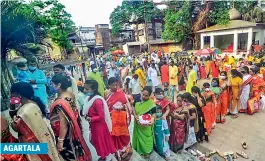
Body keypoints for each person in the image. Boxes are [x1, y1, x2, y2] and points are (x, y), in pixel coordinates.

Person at [10, 82, 61, 161]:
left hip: (33, 141)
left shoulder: (25, 111)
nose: (11, 97)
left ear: (18, 94)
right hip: (42, 138)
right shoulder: (32, 103)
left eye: (12, 94)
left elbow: (16, 128)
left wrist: (12, 118)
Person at [50, 74, 91, 161]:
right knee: (77, 152)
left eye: (52, 84)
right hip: (74, 131)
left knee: (70, 156)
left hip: (66, 135)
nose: (51, 86)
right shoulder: (70, 94)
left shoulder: (61, 102)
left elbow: (63, 124)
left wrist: (60, 141)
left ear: (59, 85)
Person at [82, 80, 117, 161]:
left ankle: (107, 157)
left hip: (99, 126)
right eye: (84, 88)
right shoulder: (88, 98)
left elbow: (101, 116)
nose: (84, 91)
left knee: (102, 143)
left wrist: (91, 119)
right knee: (97, 142)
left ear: (93, 90)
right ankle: (104, 156)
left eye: (87, 89)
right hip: (93, 126)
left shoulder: (97, 101)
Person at [105, 77, 132, 161]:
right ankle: (118, 152)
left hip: (122, 120)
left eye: (116, 84)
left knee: (123, 135)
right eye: (113, 85)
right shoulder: (107, 94)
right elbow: (106, 107)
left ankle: (126, 150)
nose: (115, 87)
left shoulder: (121, 93)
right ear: (108, 85)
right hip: (112, 120)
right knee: (115, 136)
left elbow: (128, 106)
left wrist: (123, 107)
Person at [132, 86, 156, 158]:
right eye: (143, 94)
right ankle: (140, 150)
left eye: (146, 96)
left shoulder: (151, 104)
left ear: (150, 96)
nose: (144, 97)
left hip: (146, 125)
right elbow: (133, 107)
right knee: (138, 138)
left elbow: (154, 113)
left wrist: (152, 120)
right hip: (138, 123)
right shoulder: (137, 98)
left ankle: (147, 151)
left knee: (147, 138)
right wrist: (135, 115)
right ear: (141, 92)